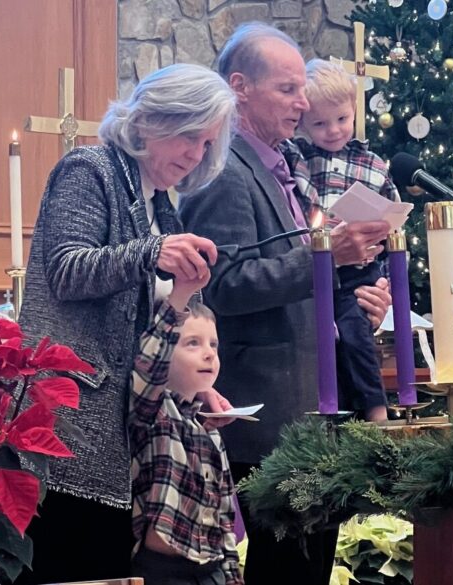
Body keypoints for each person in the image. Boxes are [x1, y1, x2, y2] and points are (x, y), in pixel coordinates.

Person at [178, 23, 392, 585]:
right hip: (267, 416)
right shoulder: (223, 171)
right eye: (288, 89)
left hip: (310, 408)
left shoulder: (284, 168)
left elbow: (299, 282)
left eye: (303, 89)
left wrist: (355, 301)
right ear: (240, 88)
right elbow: (220, 285)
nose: (303, 103)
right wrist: (326, 257)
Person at [17, 63, 236, 583]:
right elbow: (66, 270)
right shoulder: (88, 169)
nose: (196, 154)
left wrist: (195, 385)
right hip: (69, 422)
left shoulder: (162, 204)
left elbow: (158, 322)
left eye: (207, 143)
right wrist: (152, 252)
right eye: (189, 135)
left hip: (127, 435)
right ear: (149, 120)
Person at [292, 59, 401, 422]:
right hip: (319, 264)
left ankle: (376, 411)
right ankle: (337, 411)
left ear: (354, 109)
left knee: (356, 333)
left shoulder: (373, 164)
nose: (333, 131)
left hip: (361, 269)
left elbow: (393, 220)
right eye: (319, 124)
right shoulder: (298, 159)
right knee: (327, 339)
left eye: (341, 118)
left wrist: (385, 276)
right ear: (303, 122)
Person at [129, 267, 242, 585]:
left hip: (209, 569)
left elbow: (224, 514)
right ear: (166, 352)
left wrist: (232, 574)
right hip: (160, 570)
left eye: (213, 345)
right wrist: (179, 297)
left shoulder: (210, 432)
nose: (208, 354)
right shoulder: (154, 411)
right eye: (192, 343)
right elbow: (148, 366)